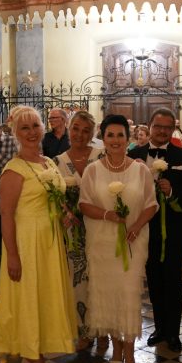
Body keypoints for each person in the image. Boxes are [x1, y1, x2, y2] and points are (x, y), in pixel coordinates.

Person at [0, 106, 77, 363]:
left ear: (44, 128)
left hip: (50, 243)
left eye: (35, 126)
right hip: (26, 243)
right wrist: (12, 255)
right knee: (28, 299)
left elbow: (54, 198)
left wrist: (65, 213)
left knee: (43, 299)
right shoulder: (13, 169)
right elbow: (5, 214)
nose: (31, 132)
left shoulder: (48, 163)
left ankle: (36, 355)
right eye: (24, 128)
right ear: (15, 133)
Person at [79, 114, 158, 363]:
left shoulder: (140, 169)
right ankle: (115, 347)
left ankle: (129, 352)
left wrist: (135, 227)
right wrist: (108, 215)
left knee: (128, 293)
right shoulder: (93, 170)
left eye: (120, 135)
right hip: (102, 244)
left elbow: (151, 205)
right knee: (108, 294)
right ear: (103, 137)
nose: (115, 140)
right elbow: (84, 203)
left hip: (133, 243)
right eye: (110, 135)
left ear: (128, 138)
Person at [128, 108, 182, 352]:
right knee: (153, 281)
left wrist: (172, 192)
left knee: (173, 280)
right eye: (158, 126)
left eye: (167, 127)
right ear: (150, 126)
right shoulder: (135, 155)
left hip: (174, 230)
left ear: (172, 128)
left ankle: (173, 332)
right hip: (144, 229)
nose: (163, 131)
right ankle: (159, 327)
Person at [53, 110, 105, 350]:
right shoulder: (57, 161)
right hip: (73, 231)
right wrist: (65, 213)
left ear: (93, 133)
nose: (80, 135)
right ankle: (84, 330)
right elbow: (54, 196)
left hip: (101, 227)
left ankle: (104, 329)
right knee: (79, 281)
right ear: (68, 128)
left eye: (86, 131)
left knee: (102, 278)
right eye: (76, 128)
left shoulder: (102, 156)